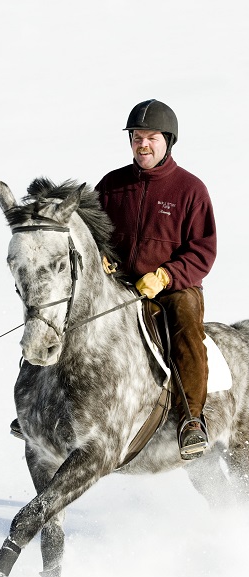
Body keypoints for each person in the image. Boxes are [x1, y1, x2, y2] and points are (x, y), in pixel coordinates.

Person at [95, 99, 217, 460]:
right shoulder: (111, 186)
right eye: (136, 137)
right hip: (118, 284)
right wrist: (101, 254)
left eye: (151, 137)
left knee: (185, 323)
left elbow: (203, 250)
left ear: (168, 141)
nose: (142, 144)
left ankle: (191, 420)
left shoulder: (190, 190)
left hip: (172, 289)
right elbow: (90, 233)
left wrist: (165, 275)